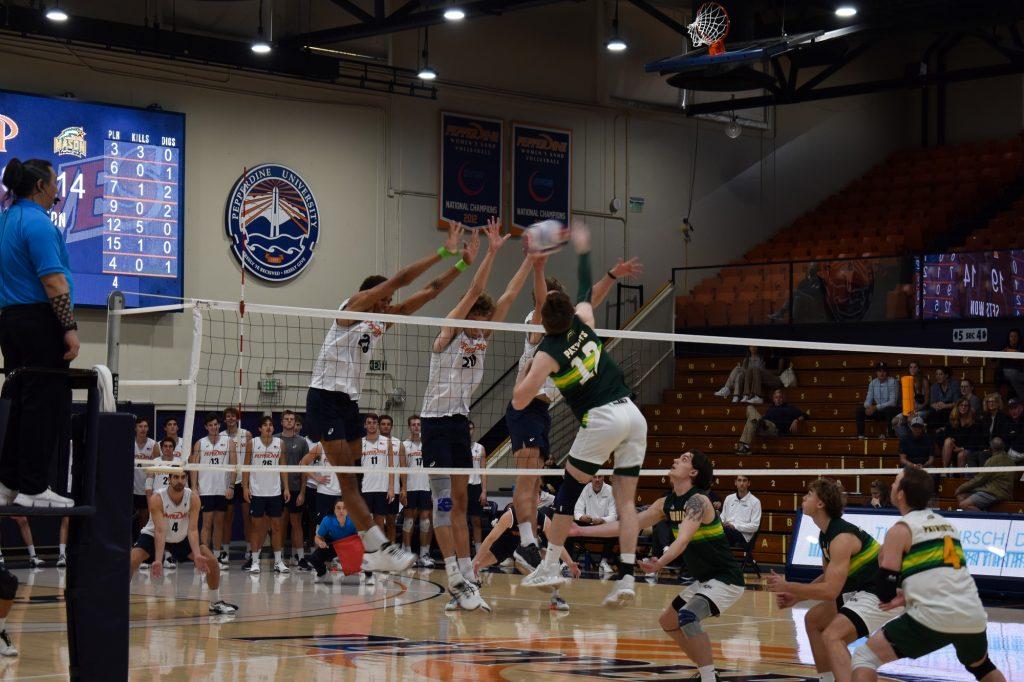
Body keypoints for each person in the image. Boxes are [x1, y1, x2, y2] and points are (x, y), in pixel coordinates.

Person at [304, 220, 476, 575]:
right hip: (325, 397)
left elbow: (427, 291)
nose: (387, 305)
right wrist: (443, 251)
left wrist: (461, 264)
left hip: (349, 403)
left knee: (357, 476)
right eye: (381, 300)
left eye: (387, 302)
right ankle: (378, 546)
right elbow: (401, 280)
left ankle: (371, 544)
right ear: (368, 297)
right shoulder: (350, 311)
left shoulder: (380, 322)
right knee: (348, 481)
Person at [512, 221, 644, 608]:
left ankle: (550, 563)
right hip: (634, 413)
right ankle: (627, 578)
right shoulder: (584, 322)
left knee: (566, 492)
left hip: (602, 417)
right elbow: (588, 292)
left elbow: (520, 400)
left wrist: (528, 377)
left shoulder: (547, 351)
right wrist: (589, 255)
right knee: (625, 503)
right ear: (570, 311)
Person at [420, 218, 532, 612]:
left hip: (459, 427)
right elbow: (476, 290)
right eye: (479, 324)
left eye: (487, 326)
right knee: (443, 502)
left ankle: (468, 576)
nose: (483, 332)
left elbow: (510, 292)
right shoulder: (448, 333)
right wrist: (490, 251)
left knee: (463, 503)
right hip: (433, 422)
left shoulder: (484, 339)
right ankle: (452, 573)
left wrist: (529, 260)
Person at [571, 452, 745, 682]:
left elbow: (682, 540)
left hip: (726, 579)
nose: (675, 460)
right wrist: (580, 530)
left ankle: (708, 678)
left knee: (688, 616)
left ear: (693, 473)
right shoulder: (666, 503)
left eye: (683, 459)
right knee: (668, 622)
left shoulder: (698, 501)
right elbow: (628, 525)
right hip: (705, 580)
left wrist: (659, 563)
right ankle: (708, 671)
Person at [849, 468, 1005, 682]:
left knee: (864, 656)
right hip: (972, 614)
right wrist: (908, 592)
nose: (892, 486)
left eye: (895, 482)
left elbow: (884, 588)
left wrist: (893, 592)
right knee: (983, 668)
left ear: (901, 494)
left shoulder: (901, 530)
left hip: (935, 615)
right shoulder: (947, 524)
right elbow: (943, 573)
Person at [0, 158, 77, 508]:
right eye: (55, 186)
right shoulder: (38, 225)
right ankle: (33, 487)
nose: (57, 193)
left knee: (19, 403)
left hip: (11, 322)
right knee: (42, 406)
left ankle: (9, 483)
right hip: (38, 322)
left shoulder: (6, 220)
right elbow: (53, 282)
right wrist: (69, 328)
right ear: (41, 187)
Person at [767, 478, 900, 682]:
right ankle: (826, 679)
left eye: (809, 494)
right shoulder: (826, 534)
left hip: (878, 592)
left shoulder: (841, 537)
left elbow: (830, 591)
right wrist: (795, 596)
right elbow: (828, 578)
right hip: (859, 591)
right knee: (813, 620)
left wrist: (789, 586)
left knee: (833, 635)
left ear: (820, 504)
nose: (803, 497)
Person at [130, 470, 238, 615]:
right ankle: (118, 601)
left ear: (186, 479)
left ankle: (215, 602)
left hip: (182, 537)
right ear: (169, 479)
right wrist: (158, 560)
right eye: (176, 477)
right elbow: (160, 531)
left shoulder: (193, 498)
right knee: (132, 559)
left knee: (211, 561)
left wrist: (197, 555)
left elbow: (193, 530)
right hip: (154, 534)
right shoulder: (157, 498)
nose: (179, 481)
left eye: (182, 477)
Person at [472, 503, 580, 612]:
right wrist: (477, 559)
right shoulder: (510, 515)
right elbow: (490, 539)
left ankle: (555, 598)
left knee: (550, 560)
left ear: (538, 500)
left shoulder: (542, 519)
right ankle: (463, 594)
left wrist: (570, 563)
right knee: (473, 566)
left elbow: (556, 543)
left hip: (526, 549)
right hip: (504, 544)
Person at [242, 416, 290, 574]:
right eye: (265, 425)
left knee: (277, 526)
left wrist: (286, 488)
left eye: (271, 424)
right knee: (256, 527)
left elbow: (283, 467)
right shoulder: (253, 443)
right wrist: (245, 488)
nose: (268, 427)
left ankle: (278, 562)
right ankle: (255, 561)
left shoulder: (280, 444)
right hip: (257, 491)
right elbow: (245, 467)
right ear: (260, 429)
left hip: (275, 492)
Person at [189, 413, 234, 568]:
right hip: (206, 489)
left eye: (216, 424)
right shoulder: (200, 443)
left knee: (219, 523)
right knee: (206, 523)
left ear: (219, 425)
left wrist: (231, 486)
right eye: (211, 425)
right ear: (206, 427)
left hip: (222, 489)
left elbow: (234, 466)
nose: (214, 427)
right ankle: (203, 556)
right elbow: (193, 468)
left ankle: (216, 556)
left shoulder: (229, 442)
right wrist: (194, 487)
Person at [276, 410, 309, 566]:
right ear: (282, 422)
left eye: (292, 419)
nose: (289, 422)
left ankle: (301, 558)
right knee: (280, 523)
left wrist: (302, 492)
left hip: (296, 488)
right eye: (286, 419)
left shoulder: (302, 442)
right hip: (277, 488)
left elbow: (305, 469)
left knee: (296, 523)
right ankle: (280, 557)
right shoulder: (274, 440)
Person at [400, 416, 434, 568]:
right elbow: (402, 470)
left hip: (425, 487)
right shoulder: (404, 445)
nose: (416, 427)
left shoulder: (428, 444)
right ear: (409, 427)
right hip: (411, 487)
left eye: (418, 424)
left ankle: (424, 554)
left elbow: (433, 469)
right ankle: (407, 553)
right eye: (413, 424)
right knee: (409, 521)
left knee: (426, 521)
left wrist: (434, 490)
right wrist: (404, 489)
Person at [221, 406, 251, 568]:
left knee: (248, 518)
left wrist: (249, 482)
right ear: (224, 419)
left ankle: (249, 549)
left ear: (237, 418)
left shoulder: (246, 434)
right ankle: (225, 551)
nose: (231, 418)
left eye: (233, 416)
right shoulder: (220, 436)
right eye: (228, 416)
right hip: (228, 482)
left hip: (244, 482)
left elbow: (251, 459)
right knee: (227, 518)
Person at [736, 388, 807, 454]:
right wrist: (761, 419)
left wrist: (796, 420)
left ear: (783, 399)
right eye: (776, 397)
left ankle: (745, 445)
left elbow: (804, 415)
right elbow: (765, 416)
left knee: (752, 420)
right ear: (773, 399)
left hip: (773, 429)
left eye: (780, 397)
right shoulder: (771, 408)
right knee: (749, 407)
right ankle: (747, 444)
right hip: (763, 426)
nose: (778, 399)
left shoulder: (789, 408)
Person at [573, 475, 618, 573]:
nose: (597, 480)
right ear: (591, 478)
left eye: (600, 477)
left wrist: (602, 520)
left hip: (604, 526)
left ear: (604, 478)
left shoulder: (611, 490)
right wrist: (581, 517)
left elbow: (614, 516)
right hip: (588, 525)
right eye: (594, 477)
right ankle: (568, 562)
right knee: (569, 526)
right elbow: (577, 511)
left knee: (616, 529)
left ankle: (604, 561)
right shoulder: (586, 488)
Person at [307, 499, 360, 582]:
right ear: (334, 509)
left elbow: (363, 537)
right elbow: (317, 537)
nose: (341, 511)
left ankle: (369, 576)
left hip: (349, 547)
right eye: (338, 508)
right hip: (332, 545)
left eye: (344, 508)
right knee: (314, 558)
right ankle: (322, 572)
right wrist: (320, 542)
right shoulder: (327, 520)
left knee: (365, 553)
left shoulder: (354, 519)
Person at [955, 437, 1015, 511]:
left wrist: (960, 488)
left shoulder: (992, 461)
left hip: (994, 493)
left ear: (991, 448)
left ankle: (985, 519)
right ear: (1003, 447)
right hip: (998, 492)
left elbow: (979, 479)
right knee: (961, 495)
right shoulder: (1011, 461)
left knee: (964, 505)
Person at [360, 414, 394, 538]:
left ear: (377, 425)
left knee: (380, 522)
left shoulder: (386, 442)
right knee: (366, 523)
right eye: (369, 422)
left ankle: (381, 552)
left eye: (374, 422)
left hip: (381, 488)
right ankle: (367, 552)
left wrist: (391, 488)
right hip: (365, 488)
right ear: (365, 425)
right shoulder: (360, 443)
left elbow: (391, 466)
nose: (372, 425)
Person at [377, 414, 404, 544]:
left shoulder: (398, 443)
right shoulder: (372, 442)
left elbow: (403, 468)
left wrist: (404, 488)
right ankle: (381, 550)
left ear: (391, 426)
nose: (386, 427)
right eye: (383, 424)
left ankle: (392, 550)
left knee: (391, 521)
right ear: (379, 426)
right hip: (377, 488)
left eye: (388, 424)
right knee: (378, 522)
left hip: (394, 489)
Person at [856, 362, 900, 439]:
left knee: (889, 410)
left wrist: (876, 407)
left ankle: (890, 436)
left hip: (891, 411)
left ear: (887, 372)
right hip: (878, 411)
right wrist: (868, 408)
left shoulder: (893, 382)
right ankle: (861, 435)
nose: (881, 373)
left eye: (884, 371)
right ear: (876, 372)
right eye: (879, 371)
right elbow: (868, 400)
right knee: (860, 409)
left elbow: (893, 403)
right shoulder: (873, 383)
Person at [940, 399, 985, 469]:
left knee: (961, 455)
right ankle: (945, 470)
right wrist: (953, 444)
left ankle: (961, 478)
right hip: (953, 449)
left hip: (969, 448)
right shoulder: (952, 420)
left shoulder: (974, 422)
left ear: (969, 408)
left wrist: (962, 448)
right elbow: (946, 436)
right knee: (948, 441)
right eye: (961, 405)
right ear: (957, 407)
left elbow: (975, 440)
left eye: (966, 405)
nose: (963, 407)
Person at [721, 474, 761, 546]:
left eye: (744, 481)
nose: (742, 483)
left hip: (743, 536)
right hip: (726, 531)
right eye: (739, 480)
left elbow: (755, 526)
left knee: (723, 533)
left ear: (748, 483)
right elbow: (722, 517)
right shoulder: (728, 498)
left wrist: (734, 526)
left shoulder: (755, 502)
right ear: (735, 482)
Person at [132, 418, 157, 533]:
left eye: (145, 426)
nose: (143, 429)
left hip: (146, 488)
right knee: (129, 519)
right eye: (140, 426)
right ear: (135, 428)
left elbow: (156, 467)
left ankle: (141, 543)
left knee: (144, 518)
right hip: (131, 488)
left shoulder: (153, 445)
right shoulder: (129, 443)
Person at [467, 422, 487, 555]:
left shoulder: (480, 448)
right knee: (460, 522)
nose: (468, 431)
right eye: (466, 429)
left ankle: (479, 552)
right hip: (461, 488)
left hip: (475, 487)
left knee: (476, 521)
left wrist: (484, 491)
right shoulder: (457, 448)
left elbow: (483, 471)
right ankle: (463, 553)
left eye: (470, 429)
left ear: (473, 430)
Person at [892, 360, 930, 432]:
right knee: (894, 421)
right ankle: (904, 437)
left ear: (918, 369)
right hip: (909, 410)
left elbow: (927, 400)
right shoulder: (906, 381)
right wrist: (907, 410)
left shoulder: (924, 381)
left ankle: (912, 438)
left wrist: (918, 408)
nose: (913, 369)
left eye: (915, 367)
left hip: (922, 409)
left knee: (910, 419)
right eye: (911, 367)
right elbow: (904, 400)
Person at [997, 328, 1024, 400]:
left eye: (1015, 336)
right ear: (1009, 338)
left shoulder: (1022, 346)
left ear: (1018, 338)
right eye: (1011, 336)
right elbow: (995, 358)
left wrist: (1009, 351)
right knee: (1013, 374)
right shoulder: (1004, 346)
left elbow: (1018, 356)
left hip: (1020, 373)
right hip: (1007, 371)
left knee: (1014, 377)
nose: (1013, 338)